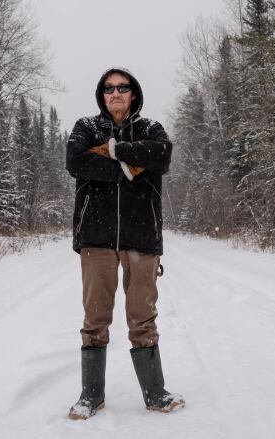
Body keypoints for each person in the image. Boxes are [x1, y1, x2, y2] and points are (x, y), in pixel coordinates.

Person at [65, 67, 184, 420]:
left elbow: (162, 155)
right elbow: (76, 161)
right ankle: (91, 396)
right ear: (102, 95)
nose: (116, 93)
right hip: (96, 238)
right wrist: (129, 168)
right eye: (109, 88)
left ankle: (155, 393)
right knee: (95, 317)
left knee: (143, 317)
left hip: (142, 236)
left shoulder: (151, 129)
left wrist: (113, 150)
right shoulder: (86, 127)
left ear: (133, 93)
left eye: (123, 87)